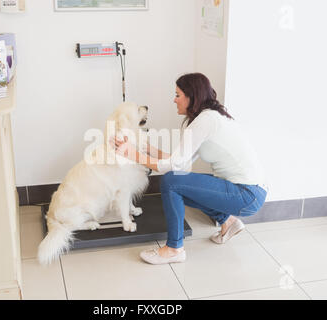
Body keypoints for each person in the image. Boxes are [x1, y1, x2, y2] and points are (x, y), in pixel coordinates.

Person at [112, 72, 268, 265]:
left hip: (246, 193)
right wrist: (146, 149)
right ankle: (228, 222)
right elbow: (181, 162)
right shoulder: (209, 117)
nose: (174, 100)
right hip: (248, 191)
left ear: (191, 96)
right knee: (178, 183)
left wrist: (132, 154)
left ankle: (174, 249)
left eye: (178, 95)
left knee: (170, 181)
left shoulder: (205, 120)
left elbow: (174, 166)